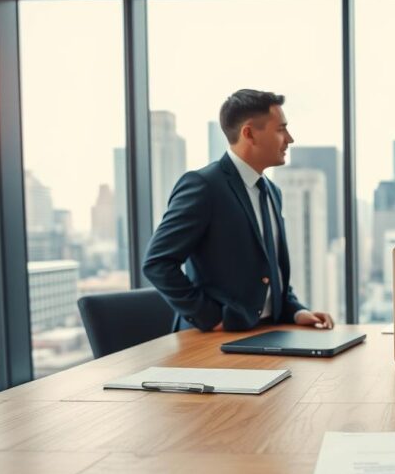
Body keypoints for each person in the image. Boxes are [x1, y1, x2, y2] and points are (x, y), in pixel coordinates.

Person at [143, 89, 334, 332]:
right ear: (249, 133)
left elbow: (270, 269)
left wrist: (296, 311)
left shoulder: (272, 192)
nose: (289, 139)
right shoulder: (203, 186)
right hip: (212, 342)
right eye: (280, 129)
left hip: (265, 333)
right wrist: (210, 317)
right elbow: (157, 263)